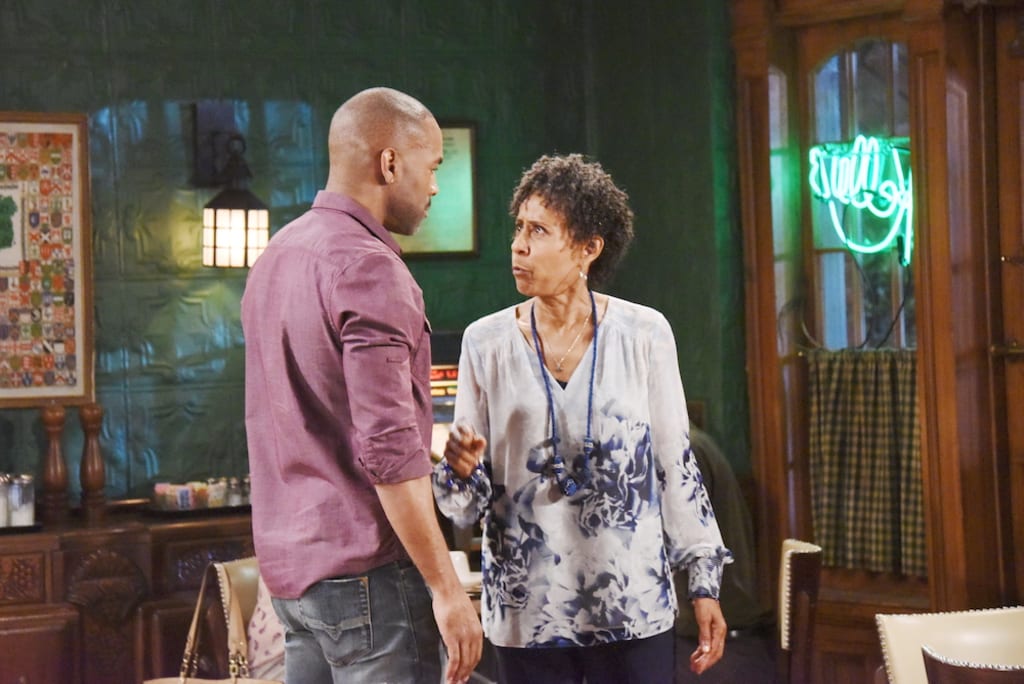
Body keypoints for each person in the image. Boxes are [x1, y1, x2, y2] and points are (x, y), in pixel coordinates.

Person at [433, 153, 732, 684]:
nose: (518, 245)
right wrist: (459, 470)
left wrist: (704, 582)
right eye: (518, 228)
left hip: (633, 606)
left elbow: (675, 464)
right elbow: (466, 509)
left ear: (589, 248)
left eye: (539, 230)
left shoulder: (645, 333)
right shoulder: (485, 343)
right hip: (527, 613)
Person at [242, 86, 483, 684]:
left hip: (292, 582)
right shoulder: (370, 266)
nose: (434, 186)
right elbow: (388, 451)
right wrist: (447, 588)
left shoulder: (277, 255)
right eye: (432, 167)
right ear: (390, 163)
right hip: (368, 583)